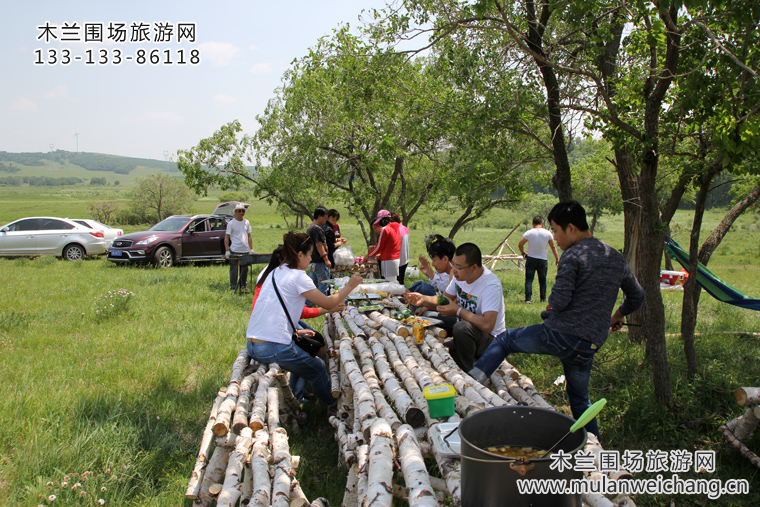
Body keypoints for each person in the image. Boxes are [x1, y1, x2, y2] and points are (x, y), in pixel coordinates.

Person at [468, 201, 645, 438]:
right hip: (588, 344)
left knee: (506, 339)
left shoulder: (573, 255)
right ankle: (595, 451)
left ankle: (469, 388)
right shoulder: (614, 256)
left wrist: (551, 304)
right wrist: (618, 314)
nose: (556, 238)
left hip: (561, 335)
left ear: (571, 228)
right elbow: (637, 295)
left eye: (557, 231)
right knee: (580, 400)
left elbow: (560, 301)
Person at [246, 231, 363, 410]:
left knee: (305, 353)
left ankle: (299, 394)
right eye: (309, 255)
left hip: (253, 344)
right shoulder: (298, 276)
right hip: (272, 347)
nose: (310, 260)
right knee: (316, 366)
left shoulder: (276, 271)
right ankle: (334, 405)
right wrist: (350, 286)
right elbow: (328, 301)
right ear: (299, 255)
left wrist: (296, 331)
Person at [406, 242, 507, 372]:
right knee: (431, 325)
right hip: (469, 333)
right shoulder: (460, 276)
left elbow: (488, 325)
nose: (454, 270)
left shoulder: (490, 285)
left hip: (491, 340)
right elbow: (444, 299)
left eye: (458, 267)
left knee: (461, 328)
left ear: (474, 268)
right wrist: (423, 299)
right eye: (453, 264)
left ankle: (466, 372)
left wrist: (458, 311)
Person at [518, 215, 560, 303]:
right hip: (543, 259)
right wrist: (557, 258)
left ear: (533, 223)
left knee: (529, 279)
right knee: (543, 280)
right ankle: (543, 298)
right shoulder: (548, 233)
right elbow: (553, 246)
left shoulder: (529, 233)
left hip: (531, 258)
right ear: (542, 223)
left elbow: (520, 244)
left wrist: (523, 253)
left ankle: (528, 299)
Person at [359, 210, 401, 281]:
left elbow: (379, 246)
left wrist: (368, 255)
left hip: (388, 259)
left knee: (389, 282)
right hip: (396, 258)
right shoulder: (395, 228)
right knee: (394, 281)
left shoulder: (385, 229)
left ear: (383, 220)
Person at [225, 203, 254, 292]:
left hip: (245, 250)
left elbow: (249, 236)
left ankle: (243, 286)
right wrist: (227, 250)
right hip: (234, 249)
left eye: (243, 211)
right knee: (234, 269)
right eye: (239, 211)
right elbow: (227, 237)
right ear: (236, 212)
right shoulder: (231, 223)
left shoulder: (247, 222)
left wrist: (251, 248)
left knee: (244, 269)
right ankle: (233, 286)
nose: (241, 213)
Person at [306, 206, 331, 296]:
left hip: (313, 260)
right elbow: (319, 245)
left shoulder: (311, 227)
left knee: (312, 285)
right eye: (325, 217)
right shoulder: (317, 228)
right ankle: (323, 306)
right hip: (319, 262)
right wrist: (326, 259)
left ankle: (308, 304)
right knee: (323, 284)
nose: (326, 220)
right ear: (320, 216)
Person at [392, 212, 411, 285]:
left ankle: (400, 295)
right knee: (401, 281)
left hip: (398, 260)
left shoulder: (396, 230)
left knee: (396, 283)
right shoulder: (404, 228)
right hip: (405, 259)